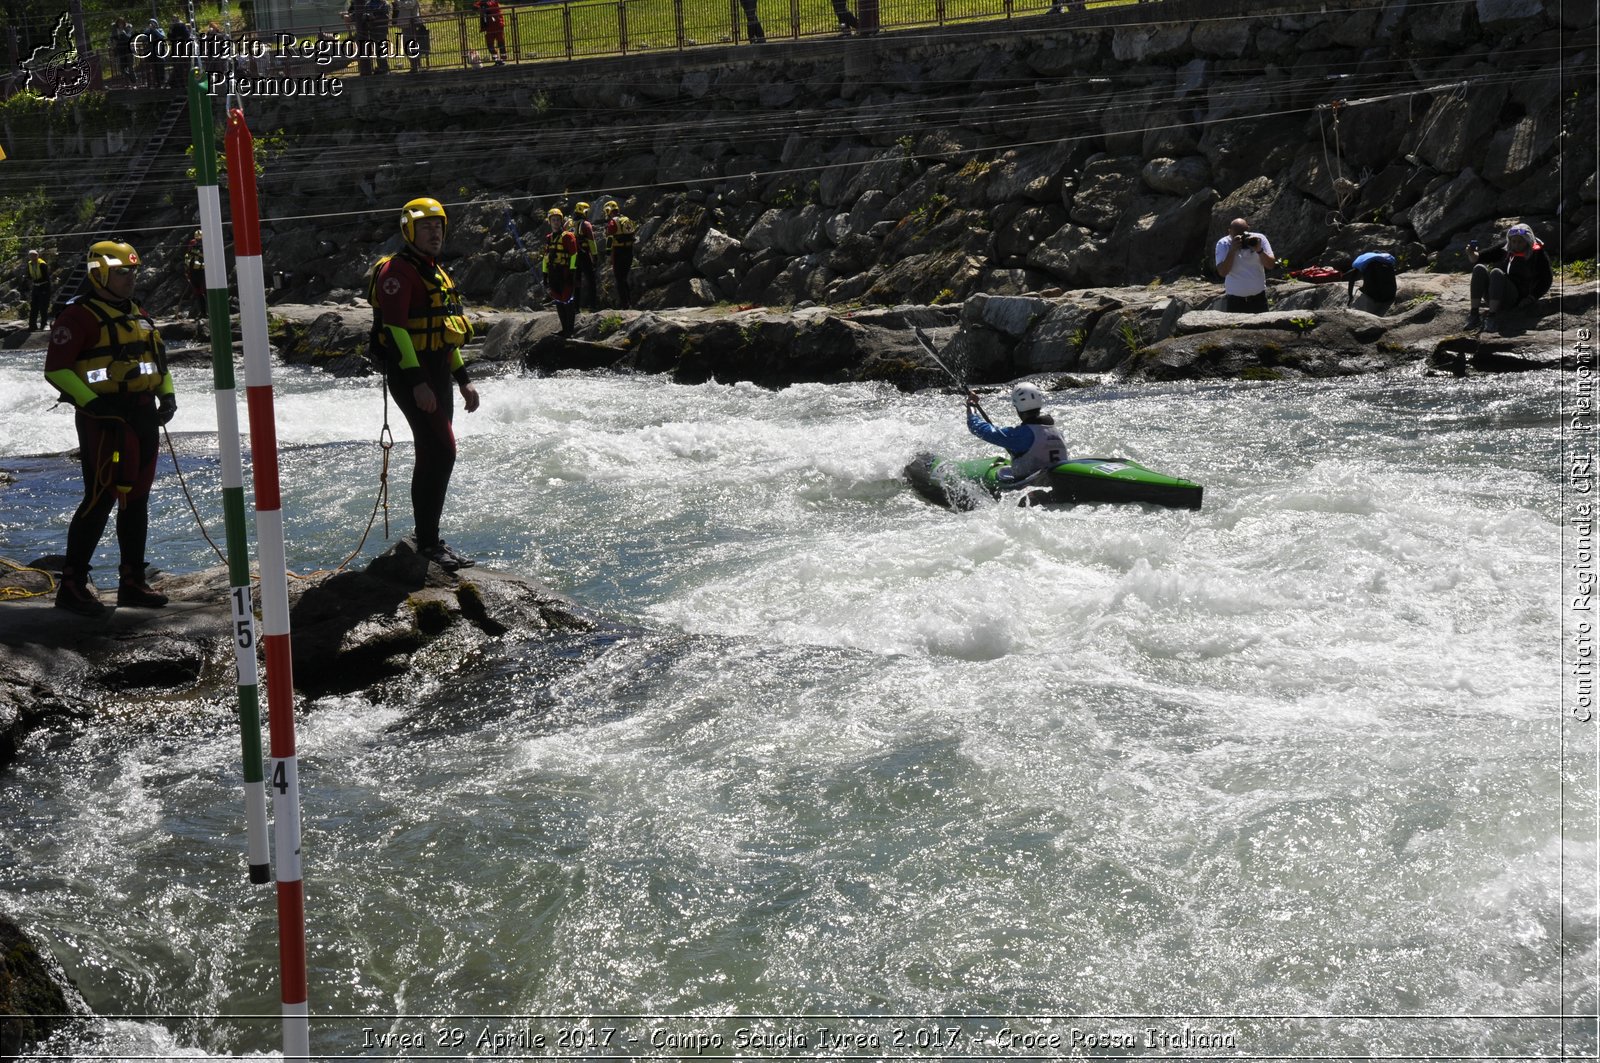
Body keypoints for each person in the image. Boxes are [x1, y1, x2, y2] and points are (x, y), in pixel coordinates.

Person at [42, 240, 176, 616]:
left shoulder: (139, 313)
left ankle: (132, 582)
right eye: (122, 272)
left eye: (133, 271)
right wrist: (93, 403)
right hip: (104, 420)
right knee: (100, 497)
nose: (131, 277)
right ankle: (72, 584)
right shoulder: (78, 316)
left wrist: (167, 397)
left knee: (137, 500)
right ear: (100, 273)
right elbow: (56, 369)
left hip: (143, 415)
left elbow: (159, 364)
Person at [368, 197, 481, 572]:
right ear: (409, 230)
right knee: (442, 451)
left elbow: (446, 333)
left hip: (436, 373)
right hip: (411, 374)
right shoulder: (397, 273)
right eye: (426, 227)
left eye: (439, 226)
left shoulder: (438, 273)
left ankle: (427, 537)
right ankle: (428, 543)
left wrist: (463, 380)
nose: (435, 233)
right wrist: (417, 381)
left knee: (433, 453)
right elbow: (396, 329)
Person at [965, 382, 1067, 485]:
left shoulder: (1021, 435)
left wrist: (972, 405)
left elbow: (977, 427)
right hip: (1057, 482)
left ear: (1018, 408)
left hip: (1032, 485)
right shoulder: (1058, 432)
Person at [1466, 223, 1552, 333]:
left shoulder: (1537, 254)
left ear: (1528, 241)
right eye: (1513, 241)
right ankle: (1474, 315)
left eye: (1520, 242)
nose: (1516, 245)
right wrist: (1471, 253)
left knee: (1496, 272)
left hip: (1514, 298)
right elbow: (1480, 257)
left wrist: (1532, 297)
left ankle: (1492, 317)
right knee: (1479, 268)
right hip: (1494, 294)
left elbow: (1546, 279)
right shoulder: (1505, 248)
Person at [1214, 217, 1276, 313]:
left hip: (1259, 299)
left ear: (1248, 229)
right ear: (1229, 232)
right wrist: (1232, 251)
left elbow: (1271, 265)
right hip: (1235, 301)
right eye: (1237, 234)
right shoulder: (1223, 244)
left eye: (1243, 233)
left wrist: (1259, 250)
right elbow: (1222, 272)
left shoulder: (1259, 239)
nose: (1241, 238)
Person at [541, 207, 579, 336]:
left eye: (558, 220)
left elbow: (574, 255)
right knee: (558, 299)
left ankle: (570, 330)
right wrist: (545, 275)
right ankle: (564, 329)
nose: (556, 222)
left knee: (567, 299)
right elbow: (546, 259)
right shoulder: (549, 238)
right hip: (553, 272)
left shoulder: (568, 236)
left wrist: (572, 272)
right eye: (553, 220)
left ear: (561, 221)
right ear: (549, 222)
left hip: (565, 272)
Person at [602, 199, 637, 309]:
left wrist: (608, 252)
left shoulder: (613, 222)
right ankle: (629, 302)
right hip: (629, 251)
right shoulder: (626, 219)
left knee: (619, 279)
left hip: (619, 252)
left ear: (609, 211)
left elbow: (610, 237)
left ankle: (625, 304)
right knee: (624, 278)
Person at [569, 201, 600, 312]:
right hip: (584, 254)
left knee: (576, 282)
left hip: (572, 256)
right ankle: (593, 306)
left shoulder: (569, 224)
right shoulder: (586, 225)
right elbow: (591, 241)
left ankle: (575, 307)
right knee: (591, 280)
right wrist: (595, 256)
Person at [181, 230, 206, 321]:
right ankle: (203, 312)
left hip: (203, 271)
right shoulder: (192, 244)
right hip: (193, 271)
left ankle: (206, 312)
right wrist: (186, 268)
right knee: (198, 292)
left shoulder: (207, 244)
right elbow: (188, 256)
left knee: (204, 292)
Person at [25, 248, 51, 331]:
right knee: (34, 307)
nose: (32, 257)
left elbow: (46, 278)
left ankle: (44, 325)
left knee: (43, 307)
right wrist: (27, 279)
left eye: (34, 255)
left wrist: (35, 280)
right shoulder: (29, 264)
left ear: (37, 256)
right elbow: (29, 274)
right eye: (30, 256)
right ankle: (32, 326)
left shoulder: (42, 264)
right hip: (36, 287)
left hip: (44, 287)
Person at [474, 0, 506, 64]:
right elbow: (475, 6)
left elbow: (489, 4)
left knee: (501, 43)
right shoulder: (482, 2)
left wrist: (481, 7)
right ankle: (496, 59)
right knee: (489, 45)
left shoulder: (493, 1)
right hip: (489, 27)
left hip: (497, 25)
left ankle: (503, 59)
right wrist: (479, 7)